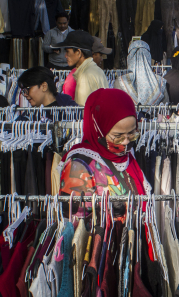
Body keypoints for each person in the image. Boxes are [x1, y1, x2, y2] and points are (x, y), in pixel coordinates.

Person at [60, 89, 150, 218]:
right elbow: (75, 224)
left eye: (132, 134)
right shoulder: (79, 165)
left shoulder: (125, 155)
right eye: (117, 136)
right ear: (98, 129)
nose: (125, 142)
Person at [54, 30, 110, 106]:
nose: (65, 56)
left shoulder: (85, 77)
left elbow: (82, 113)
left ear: (78, 53)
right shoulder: (96, 70)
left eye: (67, 52)